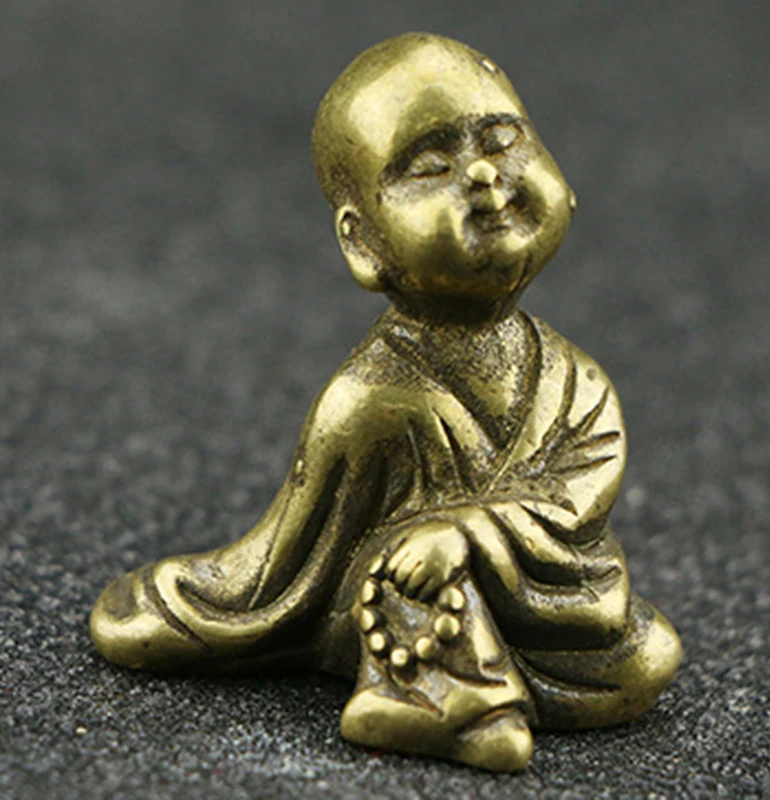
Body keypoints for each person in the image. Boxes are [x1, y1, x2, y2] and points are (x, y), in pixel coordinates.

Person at [91, 33, 681, 771]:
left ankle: (498, 678)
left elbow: (580, 492)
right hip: (426, 608)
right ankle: (439, 702)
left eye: (504, 141)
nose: (485, 176)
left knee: (647, 654)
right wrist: (198, 603)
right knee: (402, 566)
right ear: (363, 244)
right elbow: (293, 556)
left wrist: (470, 532)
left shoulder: (574, 378)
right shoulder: (369, 399)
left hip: (546, 600)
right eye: (430, 168)